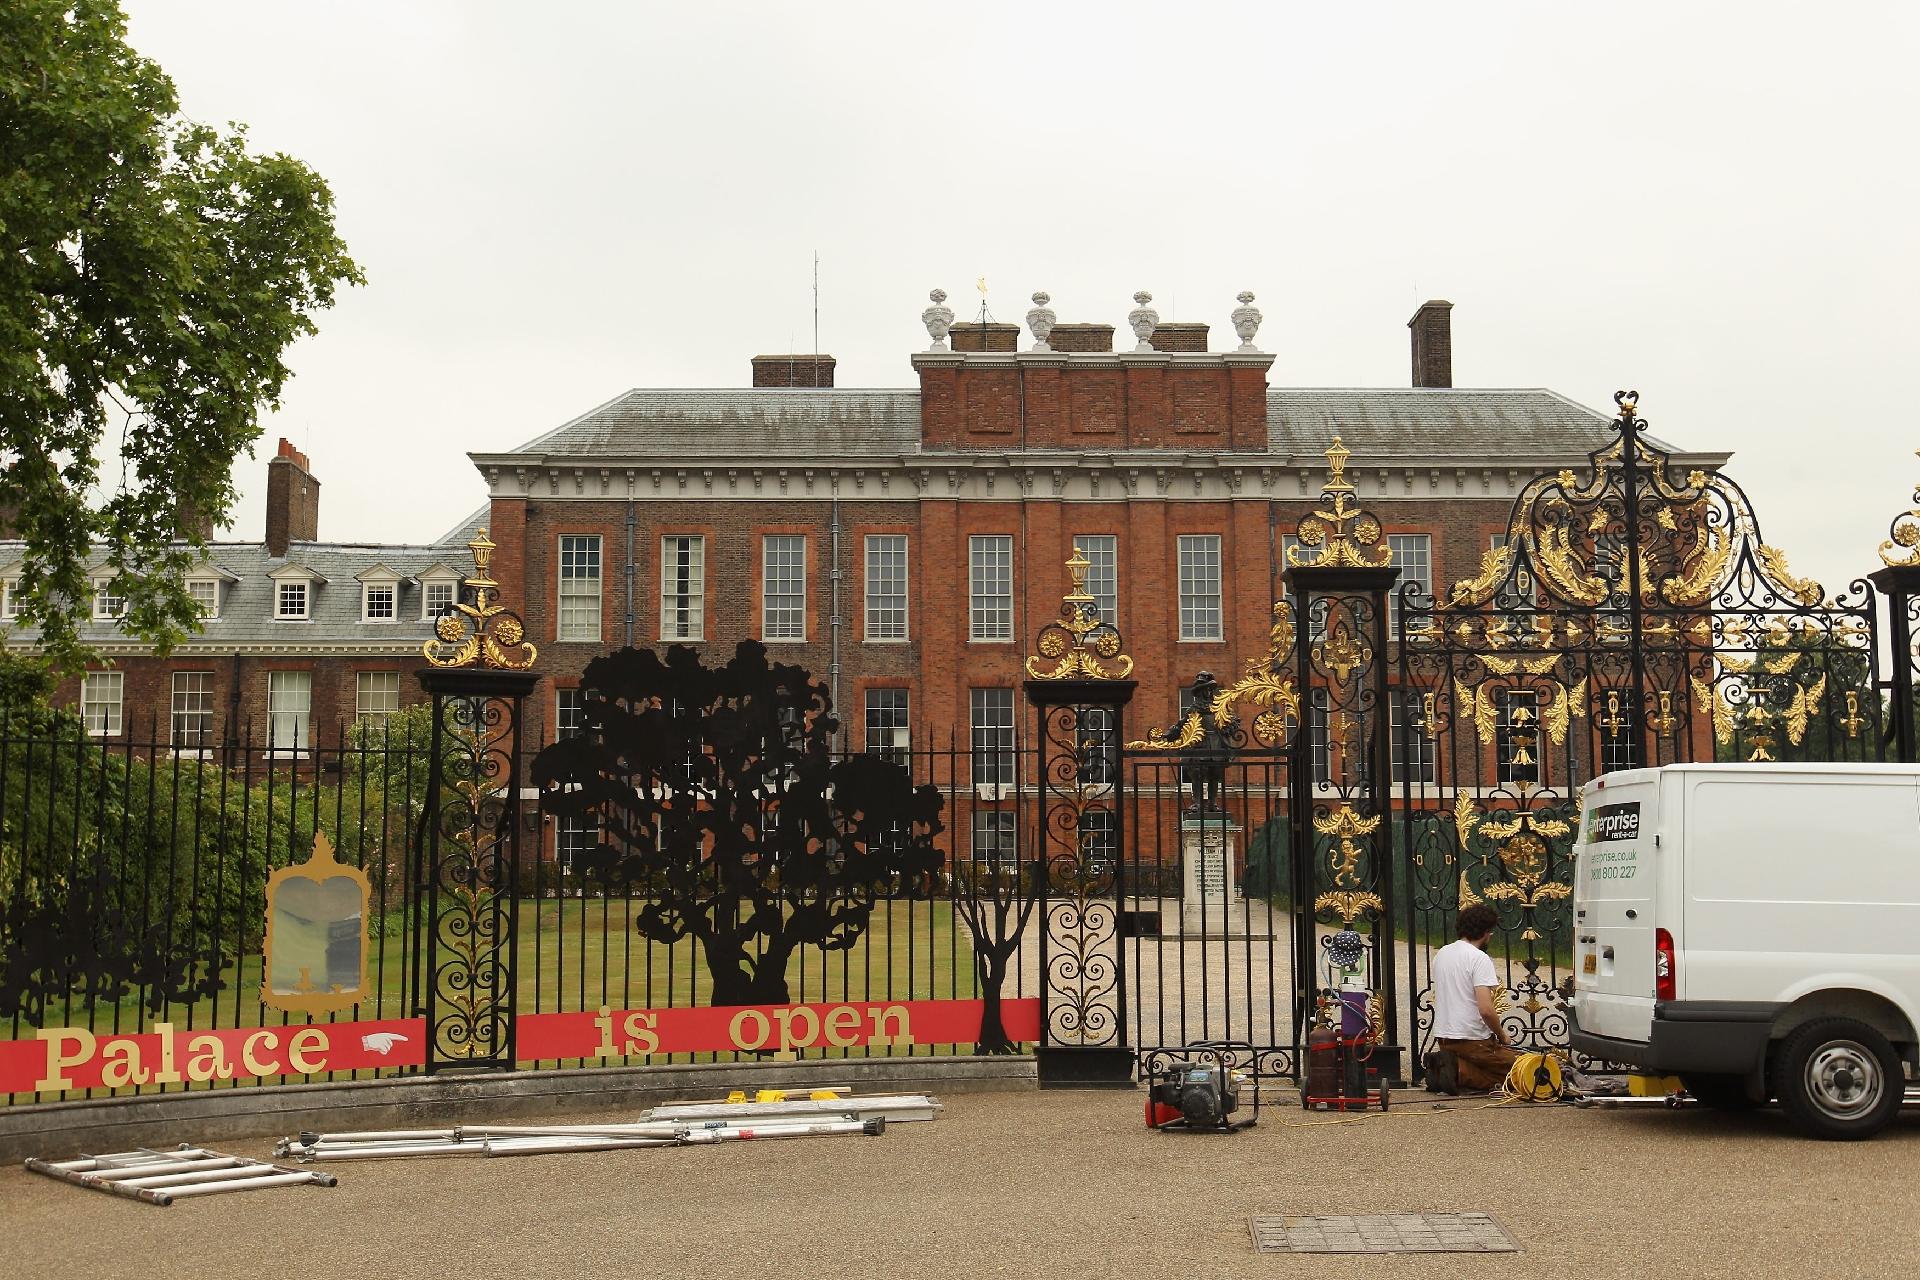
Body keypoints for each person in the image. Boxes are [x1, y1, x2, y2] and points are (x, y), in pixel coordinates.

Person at [1424, 903, 1520, 1094]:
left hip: (1445, 1038)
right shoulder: (1479, 958)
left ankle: (1450, 1067)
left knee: (1495, 1067)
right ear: (1485, 932)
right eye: (1490, 932)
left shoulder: (1442, 954)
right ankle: (1459, 1072)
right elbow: (1486, 1009)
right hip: (1473, 1040)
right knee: (1522, 1071)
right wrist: (1502, 1036)